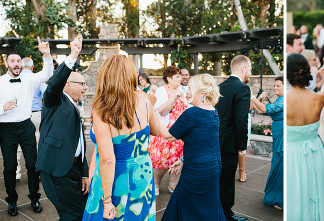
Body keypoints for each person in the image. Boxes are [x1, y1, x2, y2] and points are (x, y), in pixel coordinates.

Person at [83, 54, 167, 220]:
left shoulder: (102, 109)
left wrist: (107, 201)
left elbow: (108, 160)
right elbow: (157, 130)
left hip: (115, 180)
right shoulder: (143, 98)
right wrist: (150, 104)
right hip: (142, 175)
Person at [0, 38, 56, 216]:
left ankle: (35, 199)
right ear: (7, 64)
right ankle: (12, 202)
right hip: (7, 128)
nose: (16, 64)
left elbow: (47, 73)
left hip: (26, 126)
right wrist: (2, 108)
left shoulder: (29, 80)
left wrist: (46, 54)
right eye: (13, 61)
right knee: (9, 167)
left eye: (18, 61)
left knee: (33, 165)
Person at [34, 36, 87, 221]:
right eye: (82, 84)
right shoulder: (54, 99)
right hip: (57, 168)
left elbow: (79, 142)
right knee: (73, 215)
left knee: (76, 213)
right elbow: (54, 84)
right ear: (68, 84)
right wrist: (73, 55)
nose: (85, 88)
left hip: (74, 169)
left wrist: (84, 173)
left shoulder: (74, 105)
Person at [160, 74, 226, 221]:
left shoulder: (193, 113)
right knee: (206, 207)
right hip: (212, 167)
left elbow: (169, 136)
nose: (187, 92)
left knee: (189, 206)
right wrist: (183, 159)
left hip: (197, 170)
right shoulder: (213, 111)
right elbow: (206, 142)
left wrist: (154, 115)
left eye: (189, 88)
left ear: (198, 91)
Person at [285, 52, 324, 221]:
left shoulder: (284, 101)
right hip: (315, 154)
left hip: (292, 157)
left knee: (295, 196)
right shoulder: (317, 98)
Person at [215, 55, 255, 221]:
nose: (250, 73)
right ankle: (226, 214)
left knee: (217, 179)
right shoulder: (242, 88)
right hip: (230, 143)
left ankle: (215, 211)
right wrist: (242, 145)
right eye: (250, 69)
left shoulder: (219, 87)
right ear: (243, 68)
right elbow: (241, 120)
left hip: (215, 140)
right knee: (227, 182)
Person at [150, 66, 188, 194]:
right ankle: (155, 184)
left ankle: (173, 185)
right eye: (177, 76)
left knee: (176, 158)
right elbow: (160, 111)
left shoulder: (181, 90)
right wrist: (173, 98)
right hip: (165, 131)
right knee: (161, 160)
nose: (180, 78)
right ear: (168, 78)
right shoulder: (162, 91)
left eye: (180, 76)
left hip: (180, 132)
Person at [251, 76, 284, 210]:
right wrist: (258, 98)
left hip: (283, 134)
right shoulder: (279, 100)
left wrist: (252, 97)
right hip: (277, 135)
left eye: (278, 85)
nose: (275, 87)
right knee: (276, 163)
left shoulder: (284, 100)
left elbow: (264, 109)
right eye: (274, 85)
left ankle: (280, 198)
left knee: (280, 164)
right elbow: (259, 110)